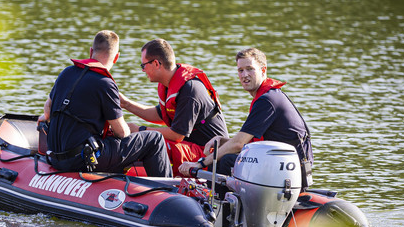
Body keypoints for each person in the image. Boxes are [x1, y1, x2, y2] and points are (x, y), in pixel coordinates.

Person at [39, 31, 172, 177]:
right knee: (155, 139)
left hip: (55, 158)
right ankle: (167, 191)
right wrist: (132, 132)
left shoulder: (66, 72)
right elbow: (121, 133)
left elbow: (48, 109)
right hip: (81, 160)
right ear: (116, 57)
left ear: (91, 52)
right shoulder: (105, 83)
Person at [179, 47, 313, 190]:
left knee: (223, 161)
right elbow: (251, 145)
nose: (244, 75)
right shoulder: (267, 96)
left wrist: (200, 164)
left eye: (250, 69)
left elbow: (238, 144)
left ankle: (215, 208)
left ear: (263, 70)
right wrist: (222, 140)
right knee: (221, 156)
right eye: (240, 70)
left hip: (290, 176)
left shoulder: (267, 101)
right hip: (279, 167)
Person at [119, 38, 229, 172]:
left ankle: (161, 189)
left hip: (208, 154)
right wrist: (126, 104)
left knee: (153, 141)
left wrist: (139, 130)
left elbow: (177, 135)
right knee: (149, 139)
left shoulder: (189, 90)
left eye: (143, 66)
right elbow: (159, 114)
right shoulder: (169, 83)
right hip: (191, 146)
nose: (143, 70)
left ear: (156, 63)